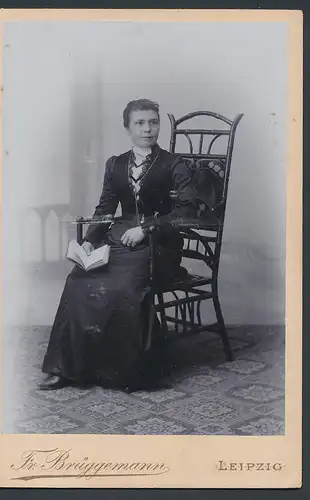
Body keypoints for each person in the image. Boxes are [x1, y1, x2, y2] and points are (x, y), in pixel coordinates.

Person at [39, 99, 197, 392]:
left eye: (153, 122)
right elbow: (105, 209)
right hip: (120, 240)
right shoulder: (116, 164)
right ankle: (68, 369)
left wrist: (146, 228)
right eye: (140, 123)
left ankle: (128, 372)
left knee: (124, 285)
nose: (148, 129)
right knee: (78, 280)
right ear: (127, 128)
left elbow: (187, 212)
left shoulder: (174, 164)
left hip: (159, 246)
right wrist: (88, 243)